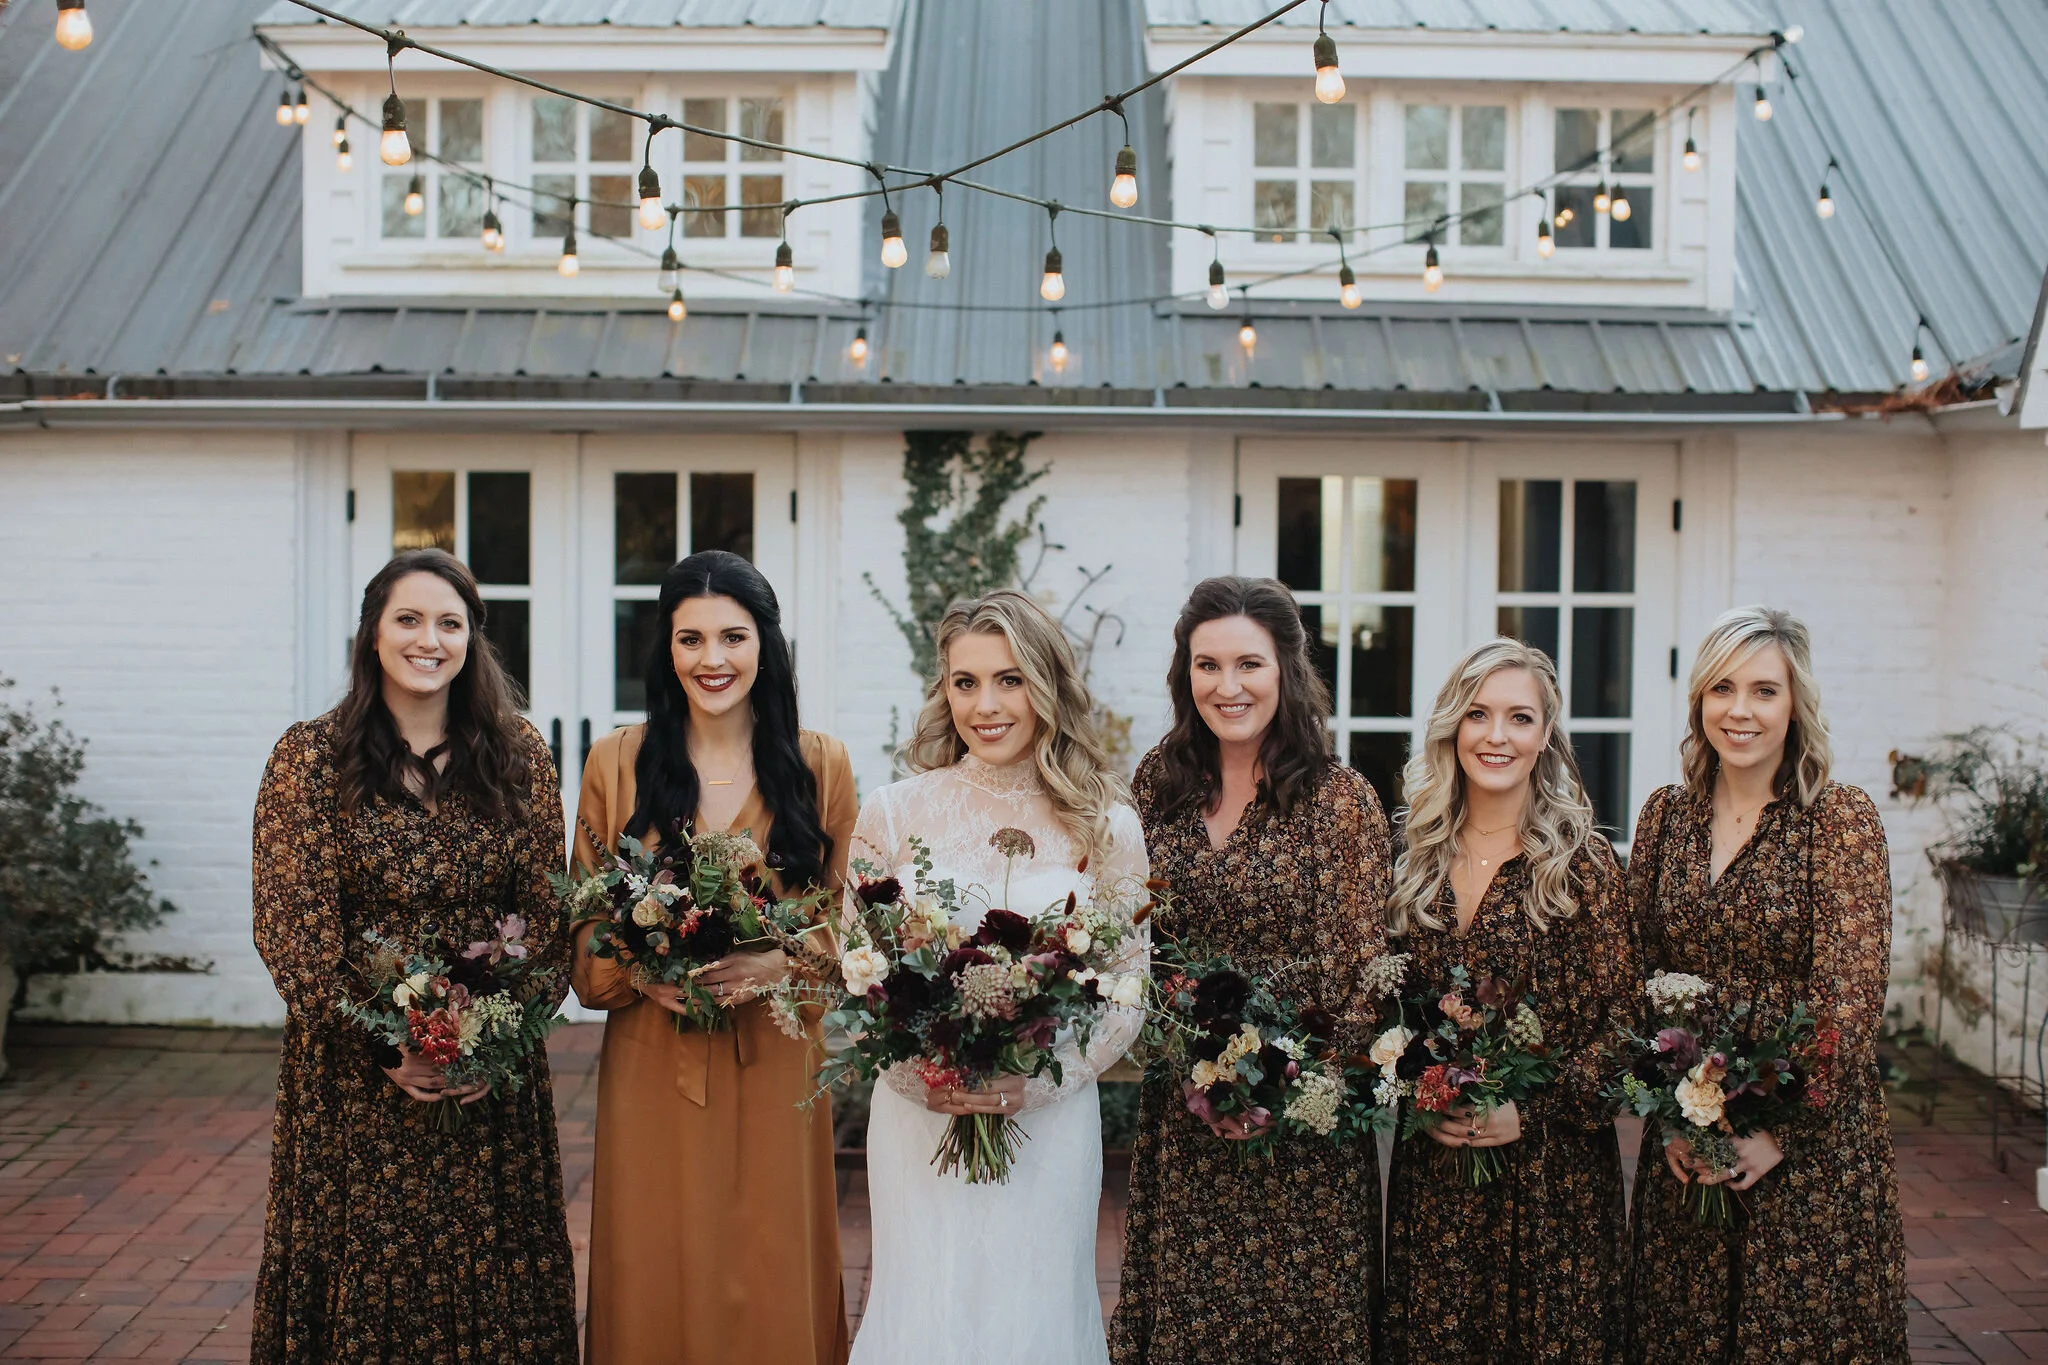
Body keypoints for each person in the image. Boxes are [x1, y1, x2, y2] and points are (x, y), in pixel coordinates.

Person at [252, 548, 578, 1363]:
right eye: (408, 619)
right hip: (355, 1086)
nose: (427, 639)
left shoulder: (519, 755)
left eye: (449, 623)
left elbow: (546, 918)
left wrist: (495, 1037)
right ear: (370, 634)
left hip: (488, 1088)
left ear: (473, 640)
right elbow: (291, 924)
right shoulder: (309, 759)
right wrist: (384, 1039)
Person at [569, 550, 856, 1365]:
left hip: (777, 1061)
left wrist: (780, 965)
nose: (712, 658)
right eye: (690, 638)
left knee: (771, 1263)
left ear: (765, 643)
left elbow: (851, 934)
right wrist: (641, 967)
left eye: (732, 635)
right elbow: (585, 936)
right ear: (667, 649)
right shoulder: (617, 762)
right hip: (654, 1064)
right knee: (654, 1258)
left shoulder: (821, 762)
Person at [849, 590, 1148, 1365]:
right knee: (924, 1306)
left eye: (1010, 679)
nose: (986, 705)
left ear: (1046, 684)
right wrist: (929, 1076)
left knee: (1034, 1312)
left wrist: (1033, 1084)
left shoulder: (1105, 822)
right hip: (920, 1114)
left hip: (1047, 1119)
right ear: (943, 690)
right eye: (965, 681)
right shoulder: (891, 812)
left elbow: (1126, 989)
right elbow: (860, 973)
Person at [1108, 576, 1391, 1364]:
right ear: (1184, 673)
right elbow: (1138, 949)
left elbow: (1362, 977)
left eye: (1248, 665)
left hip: (1304, 1130)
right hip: (1185, 1122)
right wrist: (1193, 1071)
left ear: (1287, 670)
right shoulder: (1157, 787)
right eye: (1207, 665)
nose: (1227, 687)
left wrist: (1276, 1087)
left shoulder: (1342, 801)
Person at [1624, 606, 1906, 1363]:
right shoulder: (1665, 817)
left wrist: (1775, 1129)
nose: (1739, 710)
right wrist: (1673, 1110)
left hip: (1803, 1148)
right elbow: (1639, 977)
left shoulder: (1839, 820)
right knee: (1681, 1331)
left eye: (1763, 690)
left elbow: (1850, 994)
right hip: (1687, 1136)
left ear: (1796, 705)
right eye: (1721, 688)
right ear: (1699, 703)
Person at [1378, 638, 1636, 1363]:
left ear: (1545, 733)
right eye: (1478, 714)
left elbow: (1626, 1023)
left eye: (1519, 717)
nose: (1497, 735)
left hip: (1553, 1184)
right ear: (1451, 726)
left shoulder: (1581, 863)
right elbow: (1386, 1009)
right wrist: (1421, 1092)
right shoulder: (1411, 856)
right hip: (1437, 1174)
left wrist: (1532, 1106)